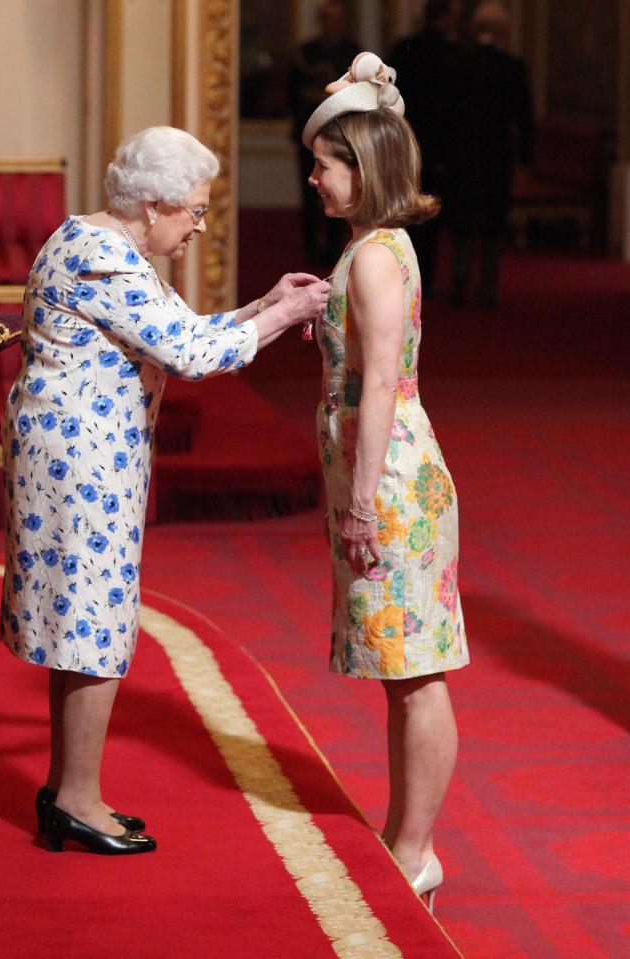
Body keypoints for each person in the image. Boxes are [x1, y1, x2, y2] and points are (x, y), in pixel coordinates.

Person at [0, 126, 330, 855]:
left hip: (81, 454)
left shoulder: (106, 243)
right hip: (81, 463)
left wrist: (263, 303)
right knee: (92, 628)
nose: (200, 226)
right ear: (152, 205)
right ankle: (79, 800)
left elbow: (178, 329)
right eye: (195, 211)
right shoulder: (103, 259)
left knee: (79, 625)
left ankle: (66, 791)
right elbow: (187, 354)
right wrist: (286, 316)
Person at [301, 53, 469, 910]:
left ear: (360, 168)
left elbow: (374, 392)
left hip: (392, 478)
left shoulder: (370, 257)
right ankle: (407, 837)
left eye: (324, 163)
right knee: (406, 670)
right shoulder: (375, 246)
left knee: (417, 671)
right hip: (389, 467)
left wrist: (362, 503)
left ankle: (415, 848)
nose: (313, 177)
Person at [444, 1, 532, 307]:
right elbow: (524, 118)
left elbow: (447, 114)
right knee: (494, 224)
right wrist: (523, 161)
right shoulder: (513, 67)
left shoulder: (457, 63)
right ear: (502, 31)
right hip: (497, 157)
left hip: (463, 156)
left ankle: (459, 280)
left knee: (463, 222)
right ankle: (488, 287)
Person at [390, 1, 459, 297]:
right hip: (437, 147)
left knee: (402, 211)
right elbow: (453, 108)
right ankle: (423, 279)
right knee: (429, 216)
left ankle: (401, 274)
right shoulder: (452, 54)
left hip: (404, 142)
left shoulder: (404, 48)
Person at [288, 0, 359, 268]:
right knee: (310, 195)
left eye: (336, 19)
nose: (331, 25)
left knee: (341, 193)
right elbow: (292, 94)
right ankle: (310, 252)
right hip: (308, 135)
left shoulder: (352, 53)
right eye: (327, 19)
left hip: (341, 137)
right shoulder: (306, 52)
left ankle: (333, 249)